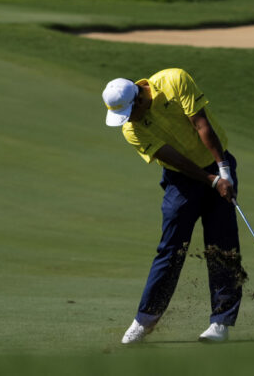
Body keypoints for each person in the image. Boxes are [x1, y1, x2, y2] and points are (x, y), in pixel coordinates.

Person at [101, 68, 242, 344]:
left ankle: (221, 323)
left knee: (222, 244)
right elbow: (173, 158)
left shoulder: (174, 80)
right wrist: (211, 180)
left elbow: (201, 124)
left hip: (216, 160)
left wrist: (223, 171)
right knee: (171, 248)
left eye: (129, 113)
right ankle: (145, 320)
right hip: (181, 180)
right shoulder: (131, 130)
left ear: (139, 100)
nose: (128, 120)